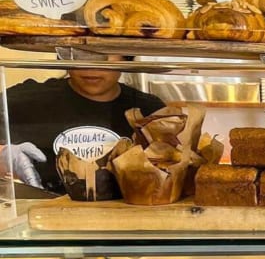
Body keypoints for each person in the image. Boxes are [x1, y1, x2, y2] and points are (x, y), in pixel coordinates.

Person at [1, 52, 164, 193]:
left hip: (125, 217)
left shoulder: (149, 109)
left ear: (125, 55)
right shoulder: (25, 100)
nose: (91, 67)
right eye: (80, 53)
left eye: (102, 52)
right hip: (41, 217)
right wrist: (2, 154)